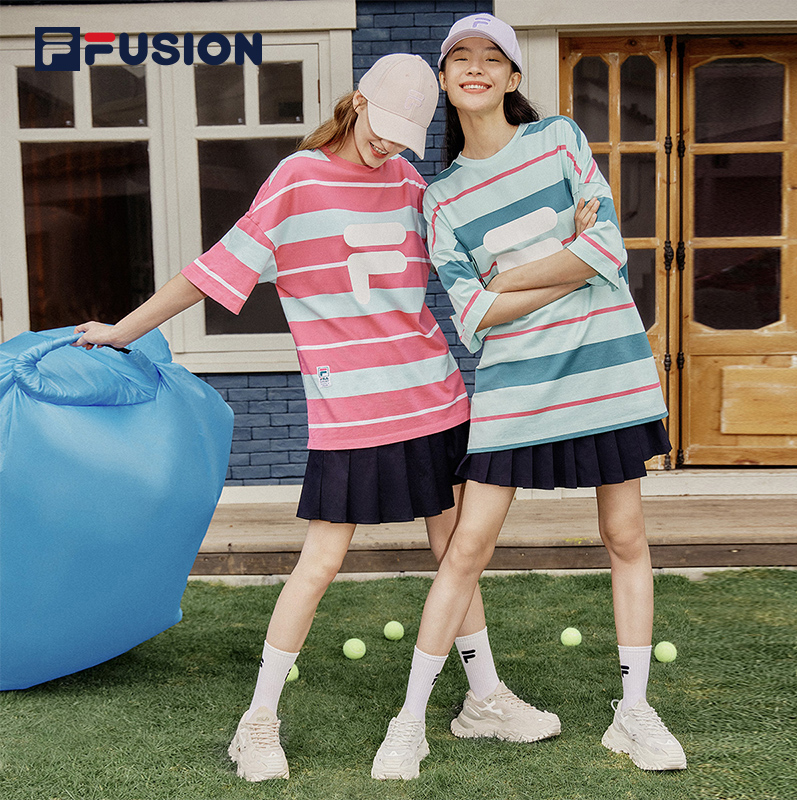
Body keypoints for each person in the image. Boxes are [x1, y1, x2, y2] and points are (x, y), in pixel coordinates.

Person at [74, 53, 582, 782]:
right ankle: (257, 723)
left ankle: (485, 698)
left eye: (407, 136)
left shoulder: (410, 184)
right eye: (385, 126)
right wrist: (122, 331)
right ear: (357, 102)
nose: (391, 145)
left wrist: (567, 246)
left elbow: (478, 265)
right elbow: (209, 272)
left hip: (435, 397)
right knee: (320, 563)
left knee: (456, 554)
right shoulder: (295, 179)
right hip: (350, 412)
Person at [372, 16, 686, 780]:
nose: (475, 68)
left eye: (492, 58)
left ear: (513, 78)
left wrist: (507, 275)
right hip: (515, 390)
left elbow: (608, 249)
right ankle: (409, 722)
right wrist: (563, 261)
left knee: (625, 536)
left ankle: (634, 712)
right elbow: (472, 314)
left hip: (606, 374)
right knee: (466, 547)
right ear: (445, 80)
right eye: (460, 58)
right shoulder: (441, 198)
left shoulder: (559, 139)